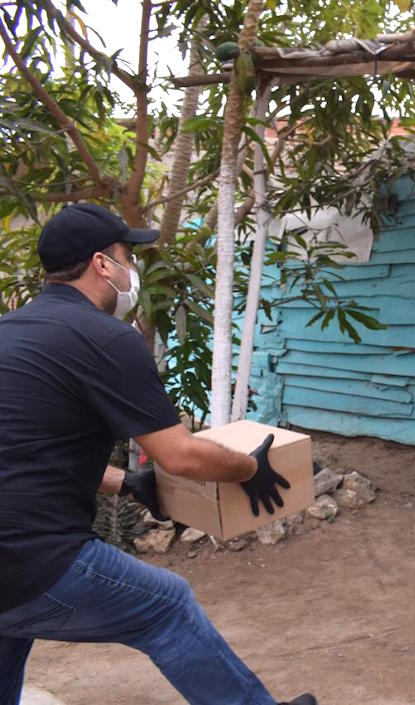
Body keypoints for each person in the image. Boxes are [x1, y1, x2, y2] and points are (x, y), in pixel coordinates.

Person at [0, 204, 316, 705]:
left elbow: (32, 450)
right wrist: (251, 467)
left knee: (11, 629)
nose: (134, 270)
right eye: (129, 255)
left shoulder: (9, 332)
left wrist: (125, 483)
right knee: (166, 606)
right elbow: (182, 456)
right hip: (31, 558)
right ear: (103, 264)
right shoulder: (105, 339)